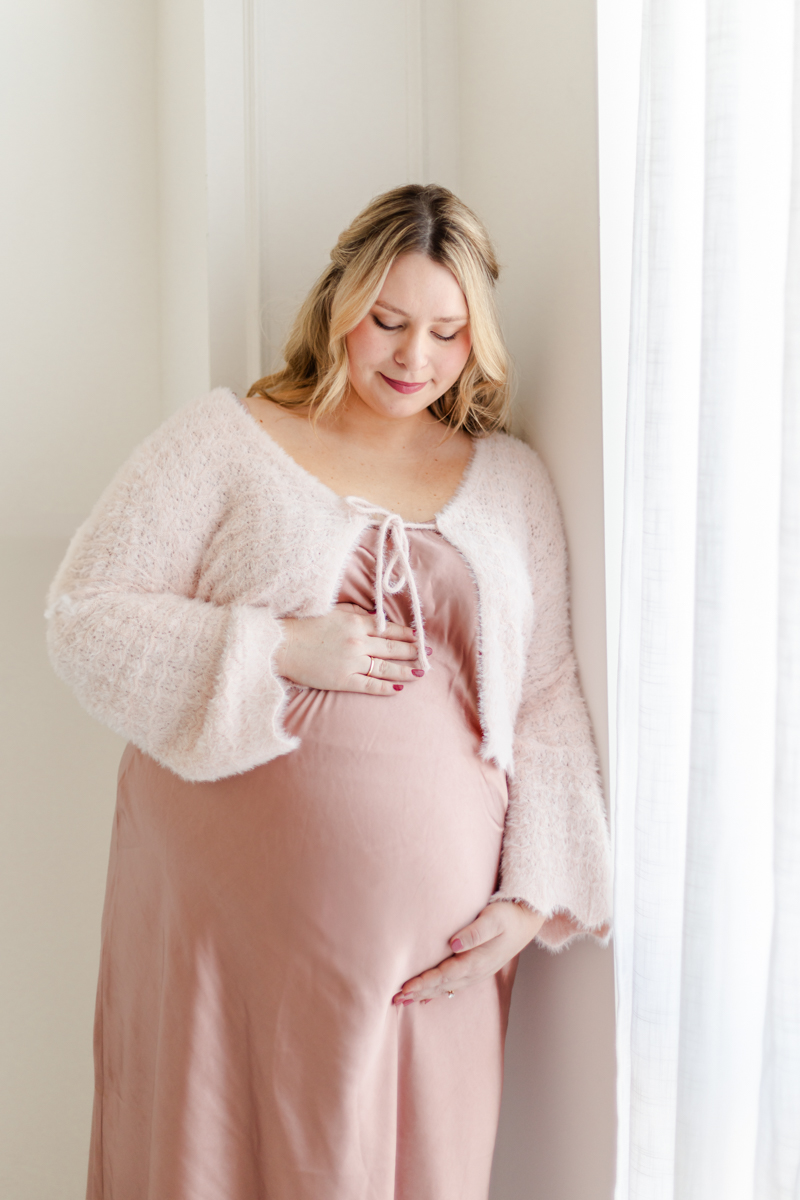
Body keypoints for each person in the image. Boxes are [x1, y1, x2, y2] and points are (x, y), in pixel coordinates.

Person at [46, 183, 612, 1200]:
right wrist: (274, 647)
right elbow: (85, 612)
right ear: (338, 303)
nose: (412, 358)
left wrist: (532, 897)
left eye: (445, 332)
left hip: (427, 936)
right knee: (211, 1152)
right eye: (388, 321)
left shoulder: (510, 480)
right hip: (227, 914)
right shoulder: (225, 439)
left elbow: (546, 696)